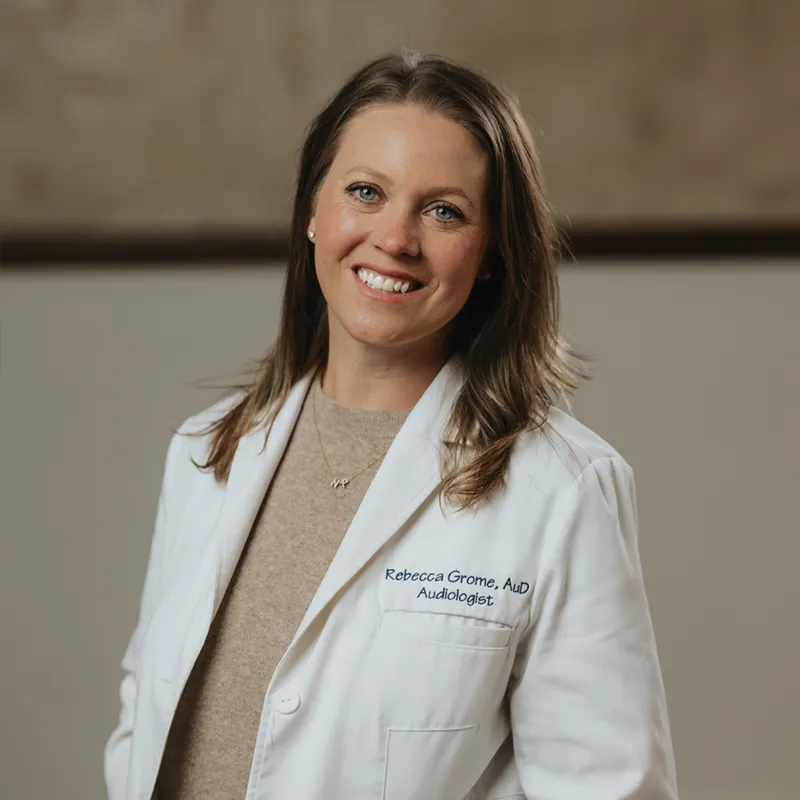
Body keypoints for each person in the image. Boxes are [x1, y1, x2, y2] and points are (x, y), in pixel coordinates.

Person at [105, 51, 678, 799]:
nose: (396, 238)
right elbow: (140, 731)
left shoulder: (562, 492)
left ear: (494, 250)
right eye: (366, 192)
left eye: (444, 211)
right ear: (314, 211)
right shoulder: (204, 454)